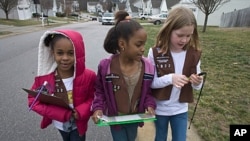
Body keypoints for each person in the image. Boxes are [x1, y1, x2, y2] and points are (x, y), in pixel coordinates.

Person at [91, 11, 156, 141]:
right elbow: (100, 92)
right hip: (116, 121)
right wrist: (97, 108)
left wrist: (150, 105)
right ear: (122, 44)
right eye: (138, 44)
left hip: (134, 119)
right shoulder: (106, 67)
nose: (143, 48)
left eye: (144, 44)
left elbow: (148, 92)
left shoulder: (147, 67)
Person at [27, 29, 96, 141]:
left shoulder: (89, 76)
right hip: (59, 124)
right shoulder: (46, 80)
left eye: (70, 53)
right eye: (60, 53)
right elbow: (33, 101)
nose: (65, 58)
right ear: (52, 53)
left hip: (78, 125)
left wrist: (81, 111)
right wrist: (60, 114)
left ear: (78, 53)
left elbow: (94, 98)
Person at [147, 6, 204, 141]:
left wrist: (197, 82)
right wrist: (171, 78)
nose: (184, 40)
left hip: (180, 109)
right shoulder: (155, 52)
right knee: (160, 137)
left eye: (188, 36)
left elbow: (197, 86)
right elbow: (151, 83)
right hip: (160, 109)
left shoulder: (194, 54)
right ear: (168, 30)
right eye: (180, 35)